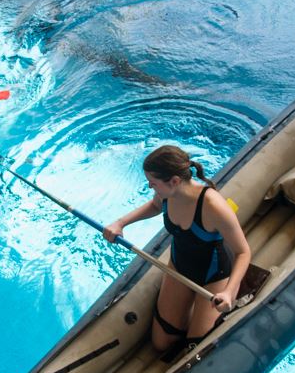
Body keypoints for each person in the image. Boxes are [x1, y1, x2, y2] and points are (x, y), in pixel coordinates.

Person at [103, 146, 251, 353]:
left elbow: (243, 252)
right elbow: (155, 206)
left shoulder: (213, 206)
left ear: (174, 181)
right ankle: (192, 310)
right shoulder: (165, 194)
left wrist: (228, 292)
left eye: (153, 183)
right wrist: (121, 223)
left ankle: (221, 304)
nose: (150, 186)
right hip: (179, 266)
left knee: (195, 346)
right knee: (162, 343)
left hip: (213, 276)